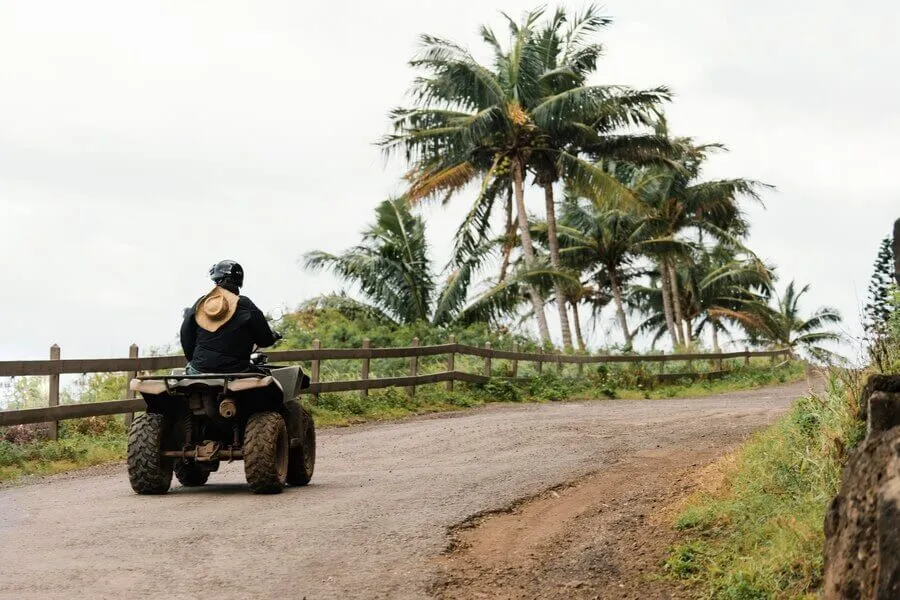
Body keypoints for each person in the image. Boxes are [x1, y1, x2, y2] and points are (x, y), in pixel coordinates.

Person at [180, 260, 281, 373]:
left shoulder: (203, 302)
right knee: (269, 381)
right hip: (235, 370)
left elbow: (185, 334)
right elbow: (265, 340)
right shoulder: (246, 305)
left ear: (217, 282)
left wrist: (194, 360)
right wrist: (273, 336)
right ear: (239, 282)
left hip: (199, 369)